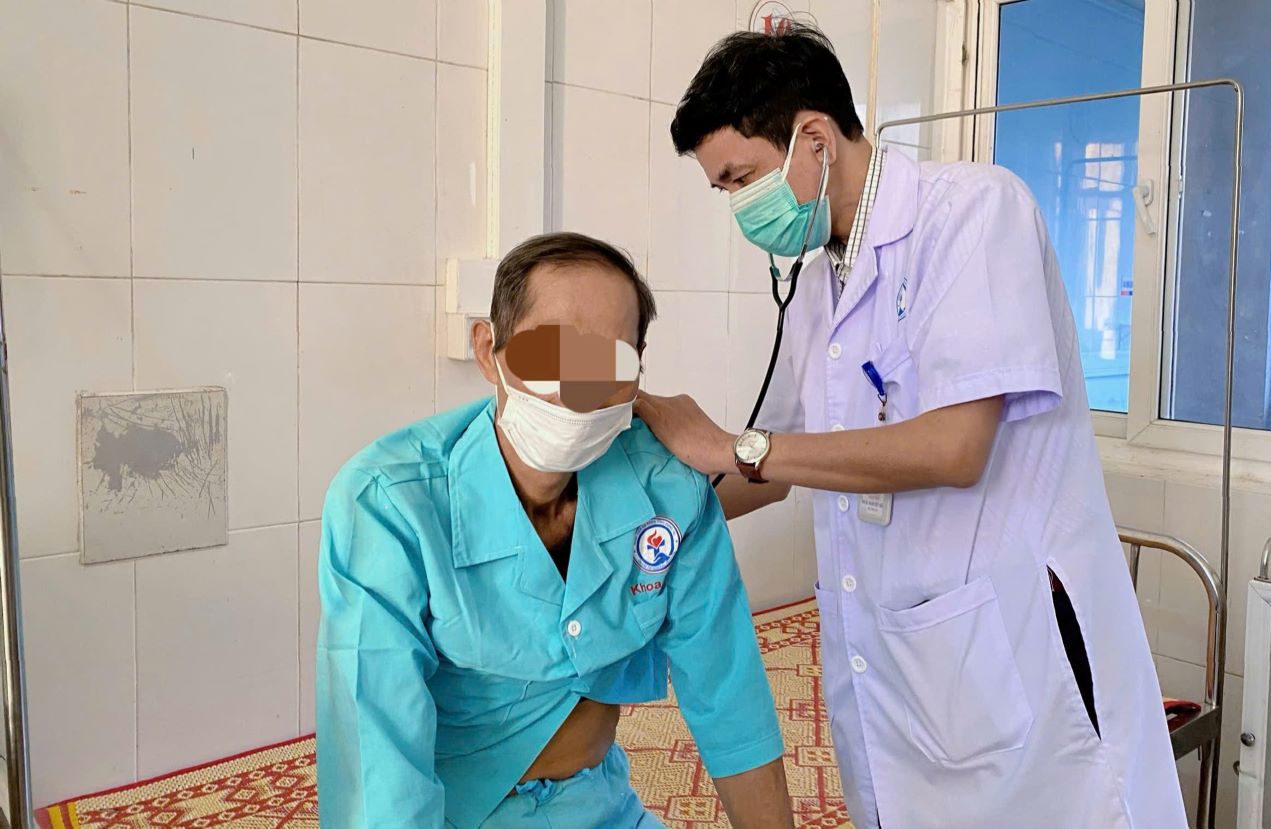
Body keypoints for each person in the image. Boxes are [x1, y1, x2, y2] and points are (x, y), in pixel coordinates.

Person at [635, 26, 1188, 829]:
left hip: (1013, 657)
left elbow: (954, 447)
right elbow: (785, 464)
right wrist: (641, 513)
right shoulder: (821, 284)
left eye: (740, 179)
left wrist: (733, 444)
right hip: (904, 668)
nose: (737, 206)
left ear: (813, 138)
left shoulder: (973, 212)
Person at [316, 232, 794, 829]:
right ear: (490, 351)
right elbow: (376, 759)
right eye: (554, 354)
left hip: (602, 804)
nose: (580, 389)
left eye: (609, 363)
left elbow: (729, 697)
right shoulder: (389, 503)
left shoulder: (669, 489)